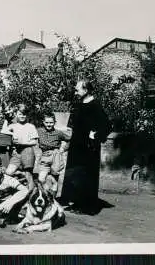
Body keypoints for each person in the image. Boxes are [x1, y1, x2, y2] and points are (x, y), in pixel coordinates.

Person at [60, 79, 111, 214]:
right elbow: (72, 125)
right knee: (75, 175)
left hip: (89, 147)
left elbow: (107, 125)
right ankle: (76, 203)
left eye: (77, 90)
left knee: (87, 176)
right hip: (76, 146)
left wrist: (96, 135)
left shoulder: (95, 105)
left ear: (86, 90)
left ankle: (87, 207)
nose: (75, 92)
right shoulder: (78, 105)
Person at [3, 104, 39, 190]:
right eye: (20, 114)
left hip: (28, 151)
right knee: (8, 172)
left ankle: (31, 194)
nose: (22, 116)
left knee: (28, 175)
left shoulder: (30, 126)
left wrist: (23, 142)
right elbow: (3, 130)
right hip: (17, 153)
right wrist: (10, 129)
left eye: (24, 114)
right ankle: (20, 174)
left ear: (27, 115)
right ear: (16, 114)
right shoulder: (14, 125)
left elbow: (35, 141)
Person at [36, 112, 70, 196]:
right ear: (43, 122)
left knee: (55, 178)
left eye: (51, 122)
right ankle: (46, 193)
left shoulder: (58, 133)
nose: (49, 124)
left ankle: (53, 199)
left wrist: (64, 148)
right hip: (44, 156)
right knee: (41, 178)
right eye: (47, 122)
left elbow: (70, 139)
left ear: (54, 122)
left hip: (56, 155)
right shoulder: (39, 131)